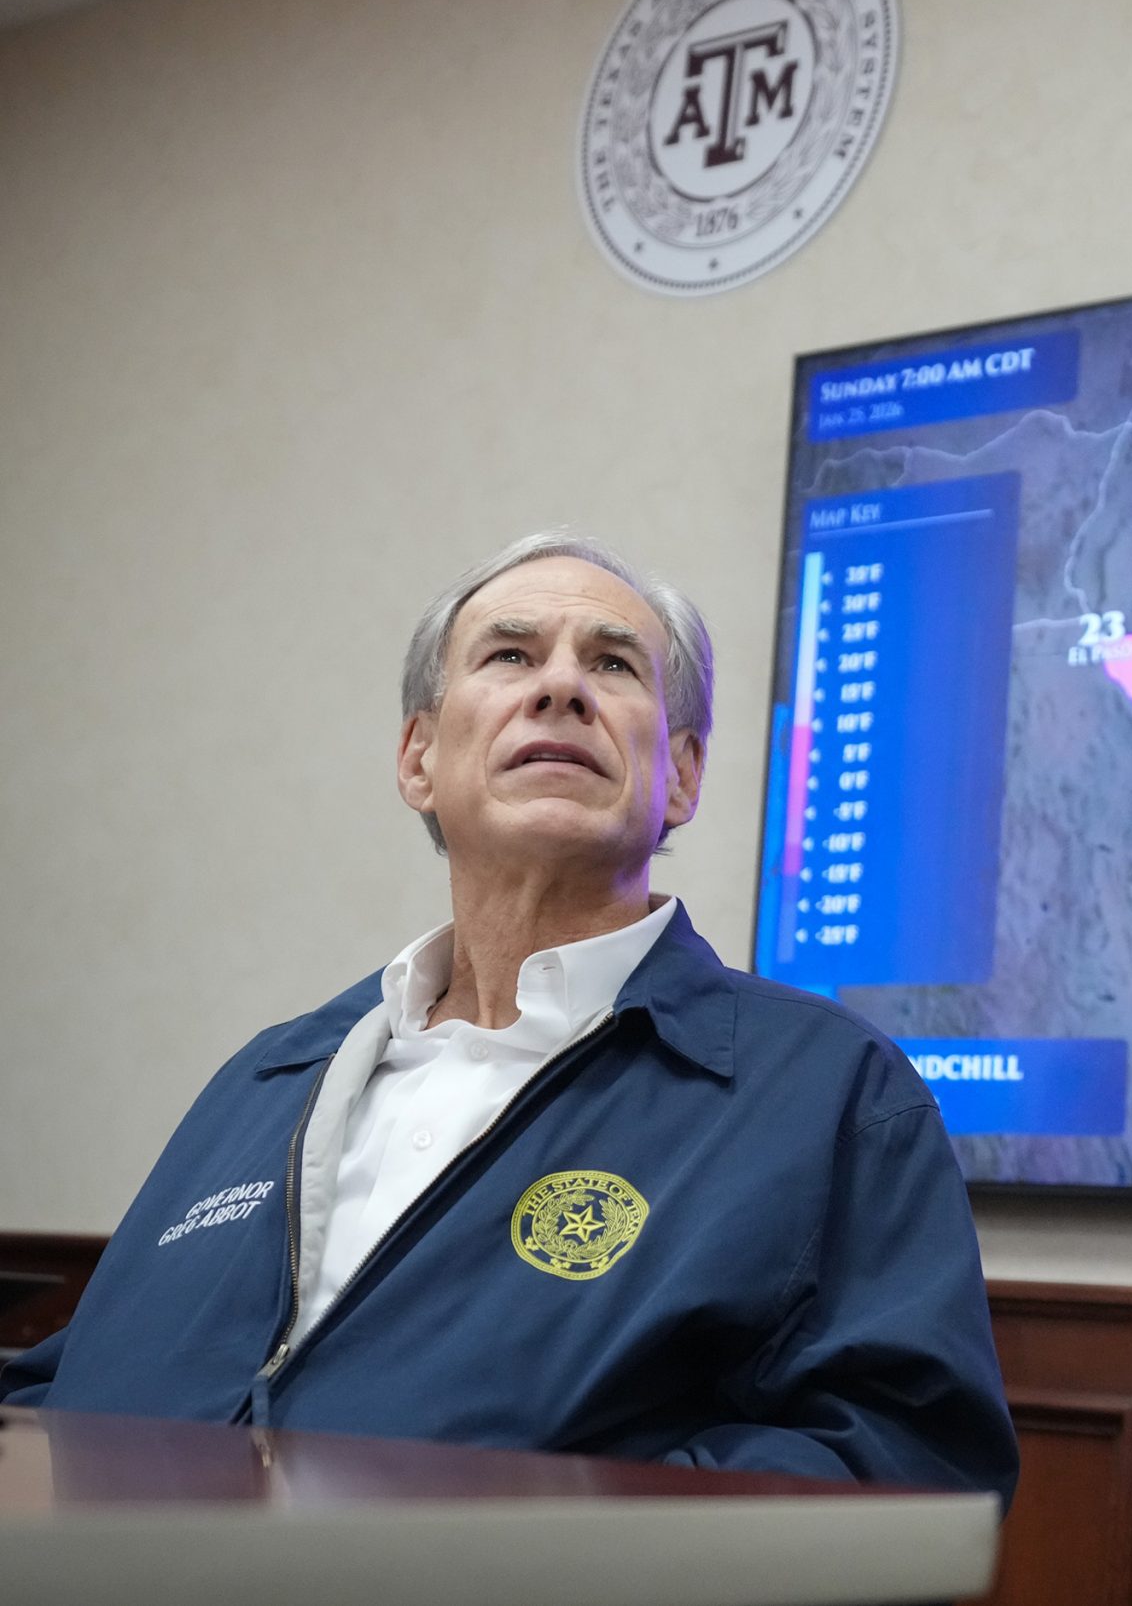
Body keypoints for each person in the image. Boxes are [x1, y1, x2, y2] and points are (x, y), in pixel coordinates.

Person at [0, 531, 1018, 1497]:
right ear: (418, 759)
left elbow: (903, 1460)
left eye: (615, 665)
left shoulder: (827, 1093)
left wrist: (502, 1546)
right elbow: (76, 1383)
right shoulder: (264, 1080)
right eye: (510, 654)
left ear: (684, 776)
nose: (562, 683)